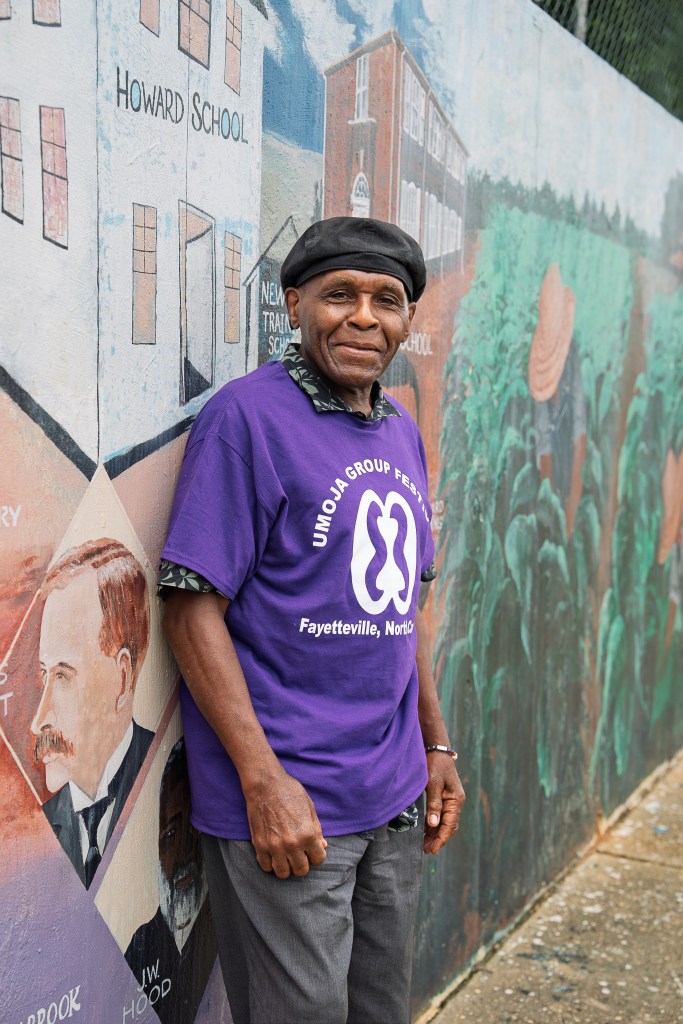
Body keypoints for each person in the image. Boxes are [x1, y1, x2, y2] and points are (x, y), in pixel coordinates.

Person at [160, 217, 465, 1024]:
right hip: (293, 804)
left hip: (393, 795)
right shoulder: (247, 421)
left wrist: (433, 744)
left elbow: (404, 607)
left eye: (386, 300)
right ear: (294, 304)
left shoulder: (399, 430)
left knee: (378, 1013)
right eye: (339, 295)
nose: (364, 317)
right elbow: (192, 612)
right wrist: (264, 783)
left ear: (406, 321)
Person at [32, 538, 153, 889]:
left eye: (64, 676)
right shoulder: (42, 829)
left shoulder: (163, 777)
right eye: (44, 674)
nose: (39, 720)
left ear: (122, 679)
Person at [125, 738, 216, 1024]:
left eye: (193, 824)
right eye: (171, 833)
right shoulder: (141, 946)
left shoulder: (223, 919)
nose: (183, 853)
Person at [529, 263, 587, 537]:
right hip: (551, 462)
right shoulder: (537, 374)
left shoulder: (572, 358)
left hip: (572, 458)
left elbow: (579, 428)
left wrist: (574, 499)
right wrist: (550, 499)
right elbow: (543, 440)